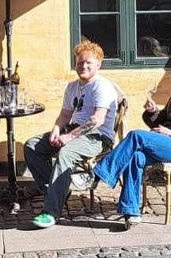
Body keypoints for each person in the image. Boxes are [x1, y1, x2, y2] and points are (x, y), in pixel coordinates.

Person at [93, 54, 171, 230]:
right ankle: (131, 212)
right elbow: (160, 121)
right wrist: (152, 112)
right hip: (167, 145)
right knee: (136, 156)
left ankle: (100, 173)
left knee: (136, 136)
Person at [24, 40, 119, 229]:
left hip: (97, 137)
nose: (83, 66)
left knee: (66, 153)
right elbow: (65, 115)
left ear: (98, 65)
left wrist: (68, 137)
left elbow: (97, 120)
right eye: (80, 62)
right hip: (72, 131)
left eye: (88, 62)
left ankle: (51, 212)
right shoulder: (72, 86)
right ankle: (56, 190)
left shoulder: (102, 86)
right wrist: (56, 129)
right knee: (32, 146)